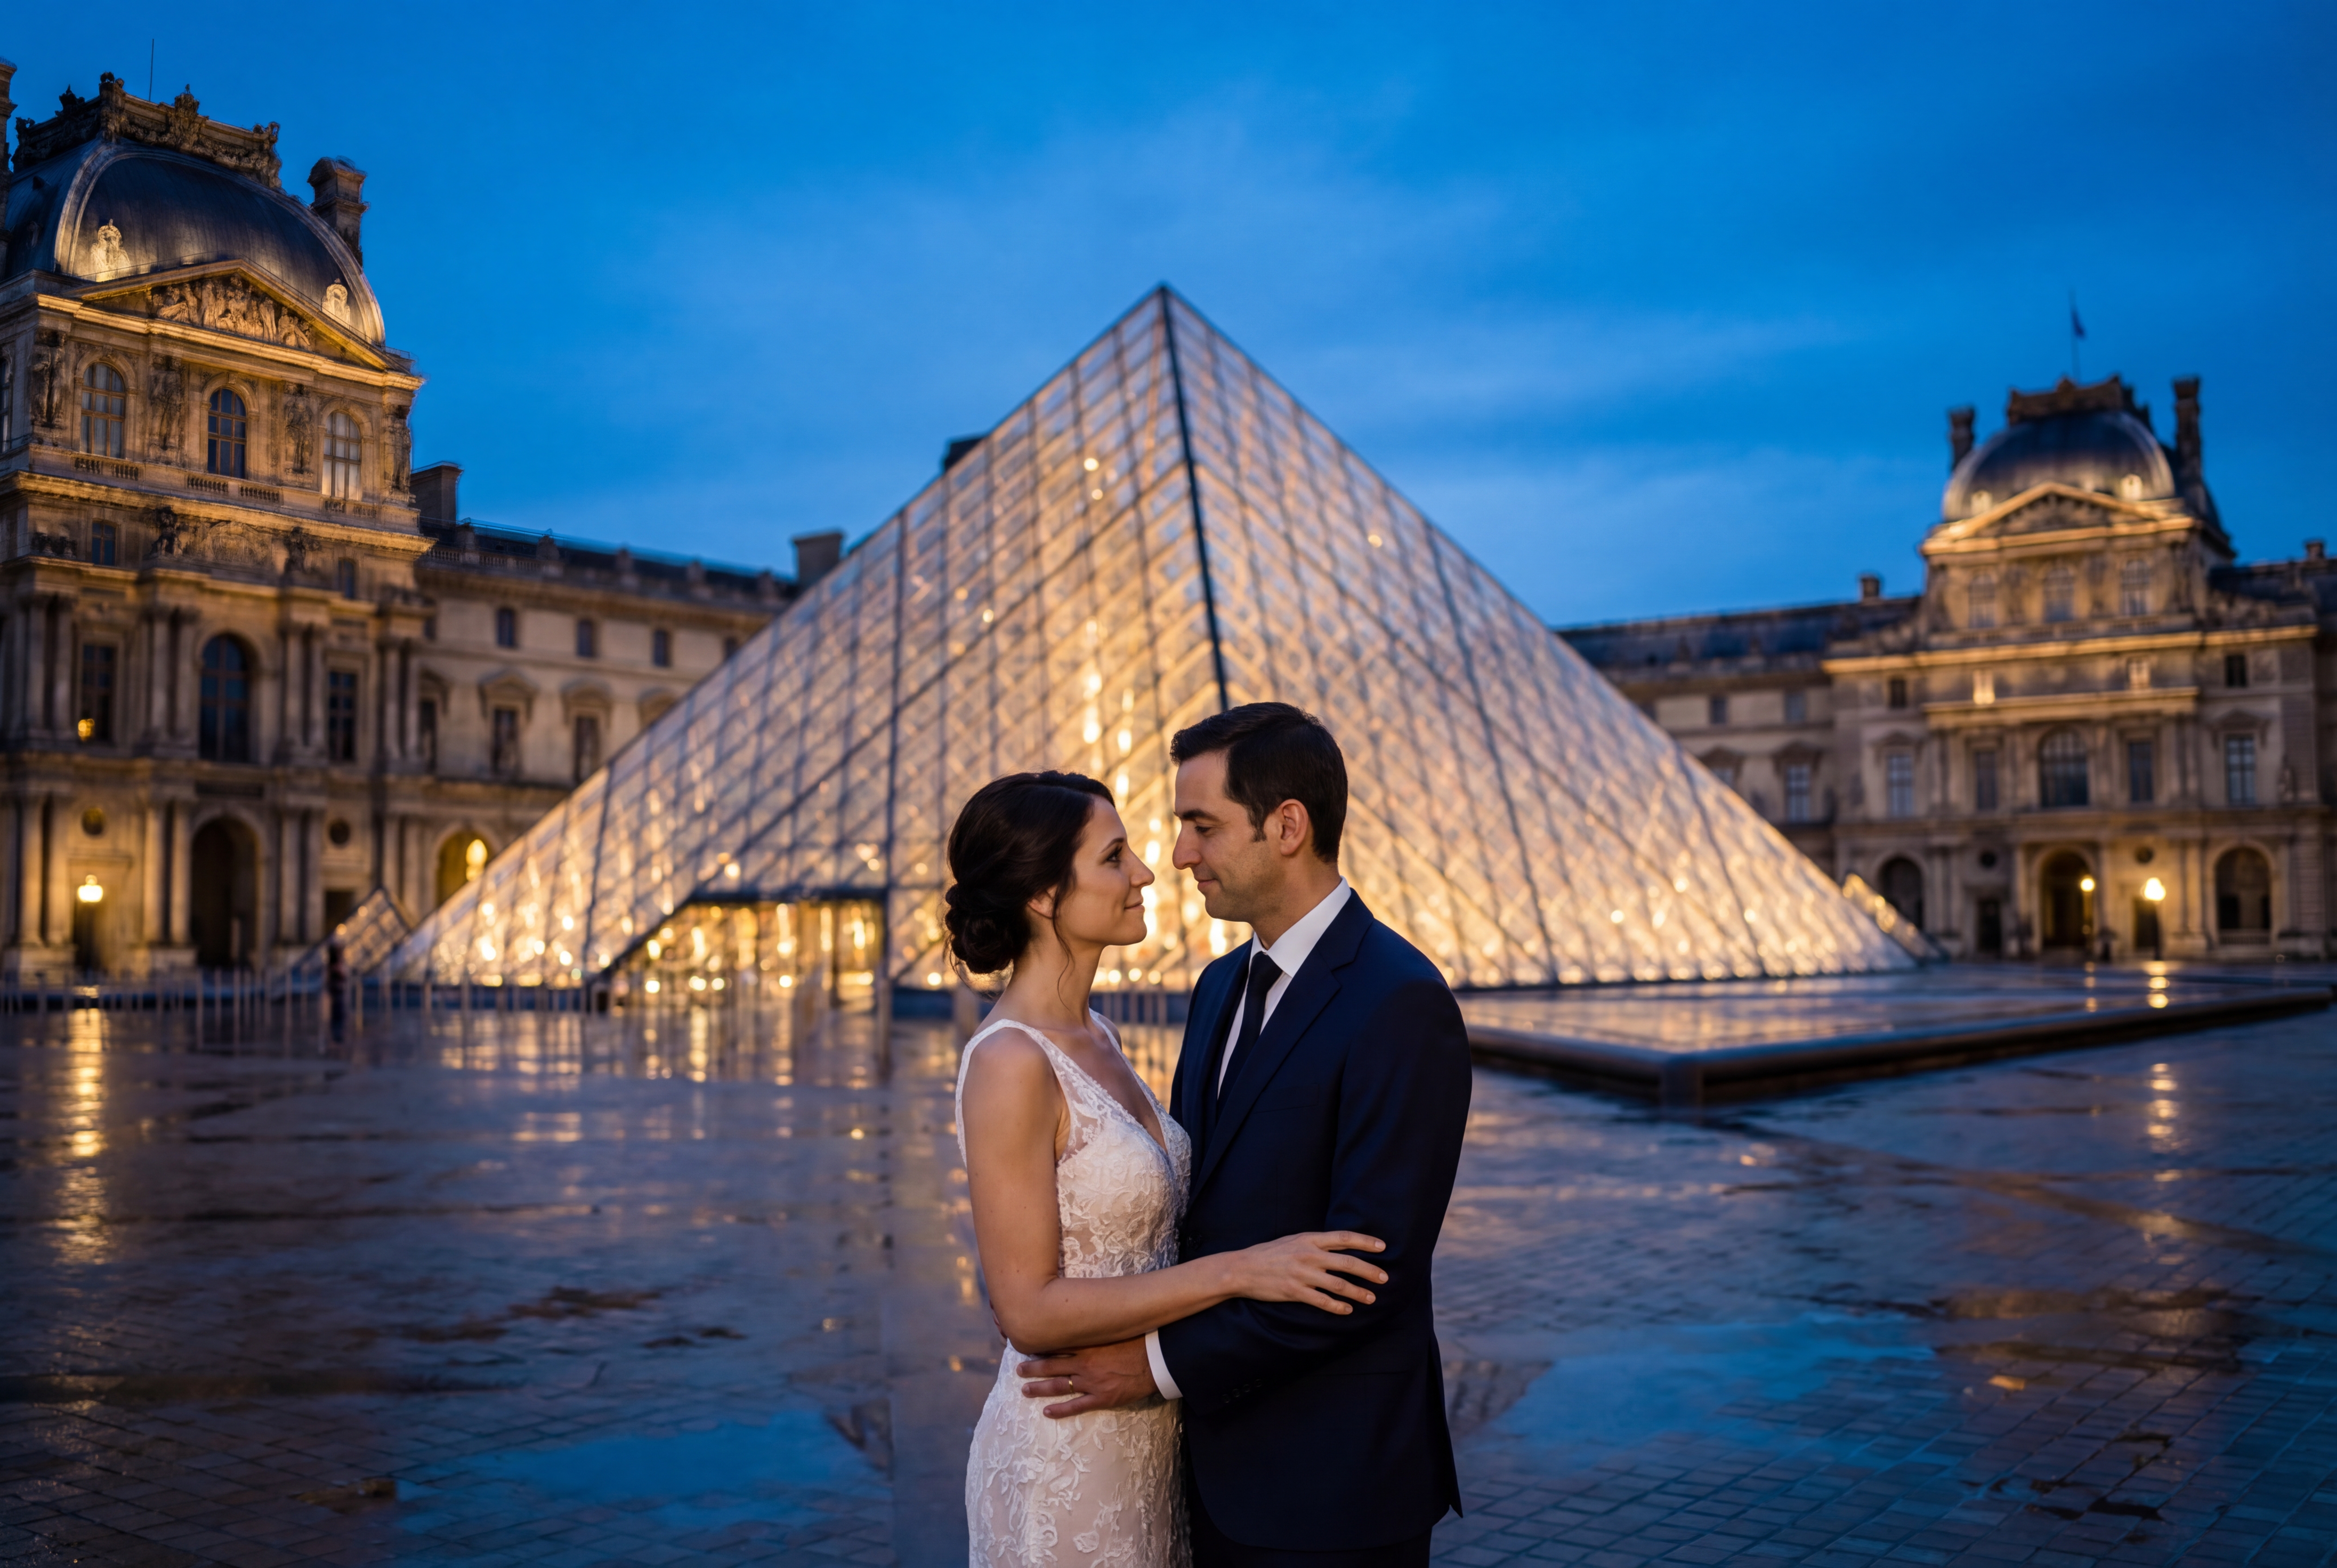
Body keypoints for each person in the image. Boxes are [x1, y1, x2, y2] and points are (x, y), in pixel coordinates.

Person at [1016, 704, 1474, 1567]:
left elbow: (1366, 1273)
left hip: (1330, 1484)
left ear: (1288, 827)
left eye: (1202, 826)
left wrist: (1151, 1366)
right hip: (1198, 1471)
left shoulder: (1400, 1000)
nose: (1180, 856)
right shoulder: (1220, 985)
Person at [951, 769, 1392, 1568]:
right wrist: (1242, 1272)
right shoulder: (1011, 1062)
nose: (1149, 871)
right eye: (1115, 857)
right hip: (1066, 1453)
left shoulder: (1102, 1037)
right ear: (1047, 896)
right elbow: (1028, 1312)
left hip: (1152, 1444)